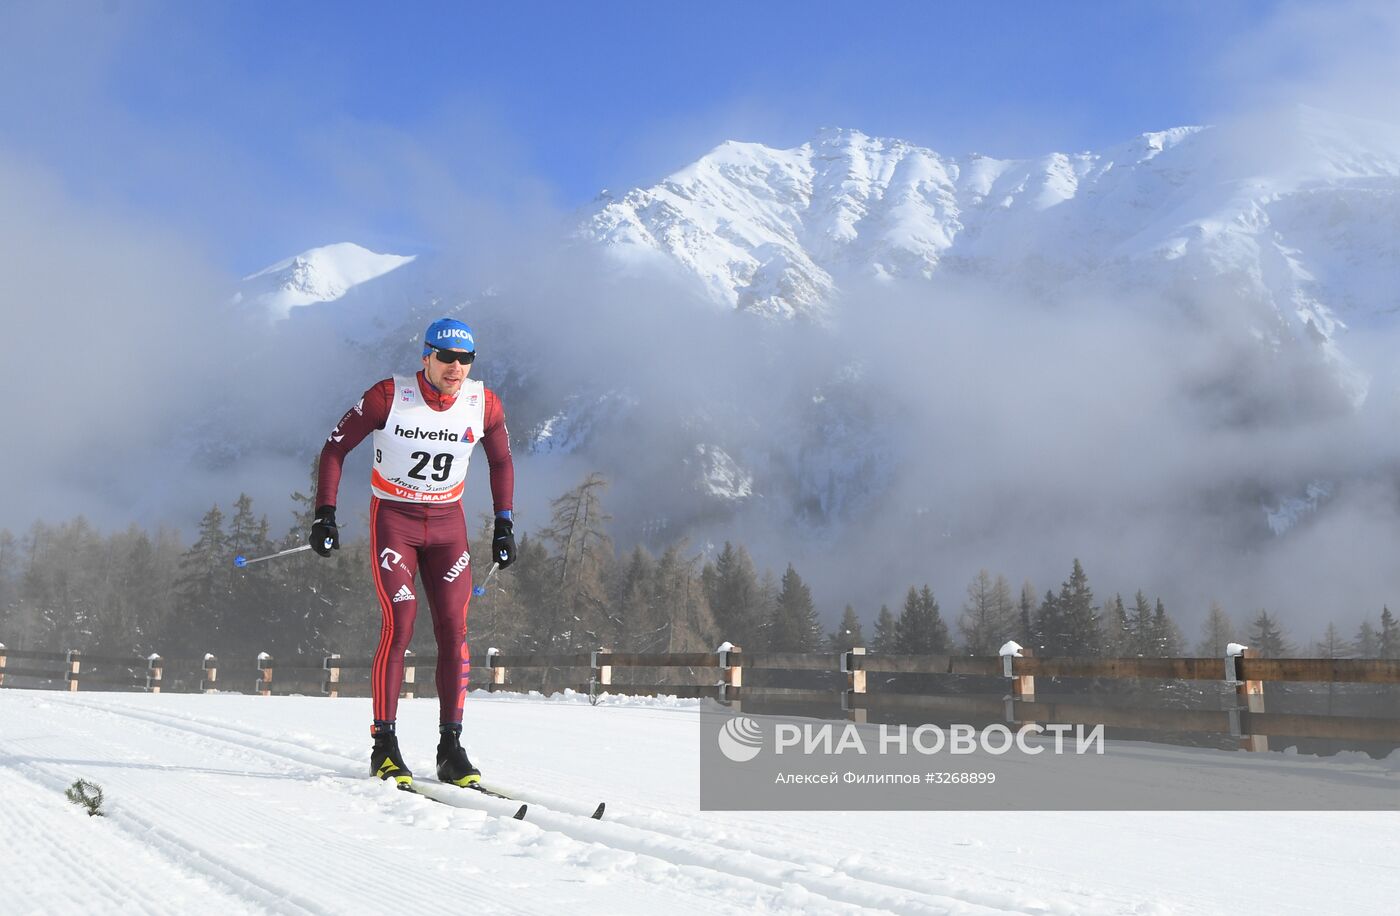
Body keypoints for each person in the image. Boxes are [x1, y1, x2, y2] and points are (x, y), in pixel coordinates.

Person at [309, 317, 516, 790]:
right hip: (395, 523)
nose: (456, 367)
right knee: (400, 622)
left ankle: (451, 748)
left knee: (453, 629)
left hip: (448, 528)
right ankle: (384, 745)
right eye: (446, 357)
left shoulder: (483, 403)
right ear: (426, 357)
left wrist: (504, 523)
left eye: (466, 359)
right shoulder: (388, 395)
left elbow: (501, 460)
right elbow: (334, 450)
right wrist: (325, 513)